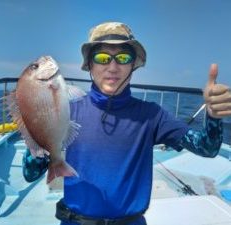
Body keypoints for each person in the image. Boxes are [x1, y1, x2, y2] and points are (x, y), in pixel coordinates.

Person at [23, 22, 231, 225]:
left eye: (123, 58)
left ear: (133, 65)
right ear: (90, 65)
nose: (113, 67)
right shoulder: (68, 109)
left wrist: (213, 116)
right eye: (102, 58)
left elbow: (207, 148)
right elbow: (30, 173)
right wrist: (37, 124)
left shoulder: (152, 115)